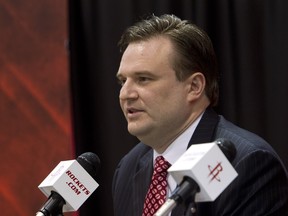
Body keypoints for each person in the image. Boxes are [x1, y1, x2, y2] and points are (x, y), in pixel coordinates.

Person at [112, 14, 288, 216]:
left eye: (143, 79)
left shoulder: (245, 163)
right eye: (122, 81)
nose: (125, 94)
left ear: (194, 86)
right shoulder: (128, 168)